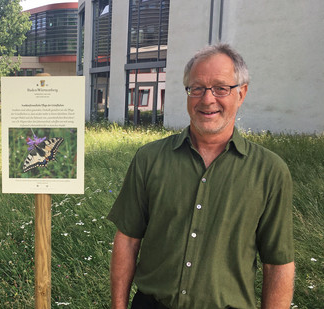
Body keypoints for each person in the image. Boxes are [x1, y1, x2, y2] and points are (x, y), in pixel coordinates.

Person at [108, 44, 295, 309]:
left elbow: (278, 263)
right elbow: (127, 240)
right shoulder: (149, 159)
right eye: (197, 88)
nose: (207, 99)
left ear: (241, 93)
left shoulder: (270, 172)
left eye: (221, 88)